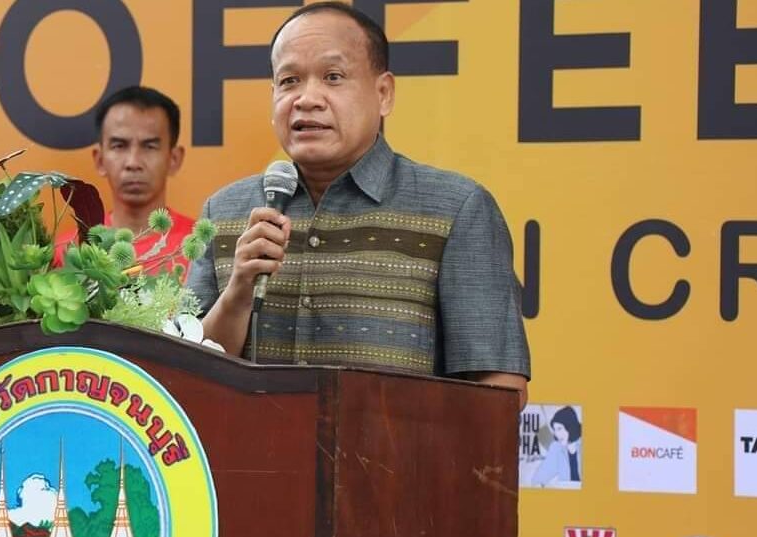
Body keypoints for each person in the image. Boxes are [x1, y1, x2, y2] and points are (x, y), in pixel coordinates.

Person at [187, 2, 530, 406]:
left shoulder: (456, 210)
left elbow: (499, 390)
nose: (306, 99)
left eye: (333, 77)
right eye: (289, 81)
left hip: (399, 449)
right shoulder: (224, 212)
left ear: (383, 94)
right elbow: (184, 377)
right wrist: (239, 293)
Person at [54, 86, 195, 276]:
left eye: (149, 146)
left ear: (174, 159)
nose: (133, 162)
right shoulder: (66, 253)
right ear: (100, 160)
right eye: (119, 146)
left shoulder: (202, 247)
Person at [532, 406, 582, 486]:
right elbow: (538, 480)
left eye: (559, 429)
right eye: (555, 430)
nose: (557, 434)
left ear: (570, 426)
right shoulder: (556, 448)